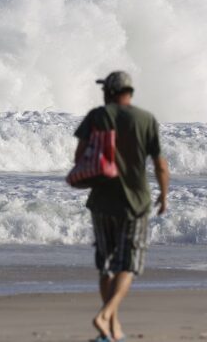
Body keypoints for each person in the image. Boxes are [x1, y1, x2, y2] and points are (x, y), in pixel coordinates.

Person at [73, 71, 169, 342]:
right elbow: (160, 164)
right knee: (129, 264)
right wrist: (164, 195)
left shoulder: (97, 116)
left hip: (102, 202)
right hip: (135, 203)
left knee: (106, 265)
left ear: (111, 91)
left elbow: (79, 157)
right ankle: (107, 318)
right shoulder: (146, 119)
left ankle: (111, 329)